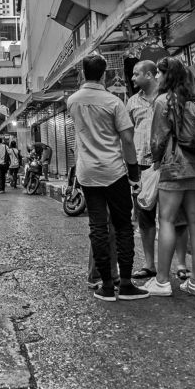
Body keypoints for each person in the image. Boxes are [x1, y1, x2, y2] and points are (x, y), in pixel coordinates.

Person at [67, 53, 149, 302]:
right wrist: (133, 171)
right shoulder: (114, 102)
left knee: (97, 227)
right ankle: (124, 283)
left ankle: (105, 286)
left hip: (88, 174)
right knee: (124, 226)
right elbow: (126, 139)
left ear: (83, 73)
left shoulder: (73, 101)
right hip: (115, 172)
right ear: (104, 75)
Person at [146, 58, 195, 298]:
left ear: (166, 75)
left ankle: (162, 281)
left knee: (167, 220)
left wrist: (155, 161)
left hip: (173, 166)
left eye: (159, 74)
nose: (157, 78)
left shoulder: (163, 101)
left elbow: (158, 138)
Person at [126, 60, 189, 281]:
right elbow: (127, 134)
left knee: (176, 218)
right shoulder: (132, 102)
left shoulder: (169, 99)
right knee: (144, 217)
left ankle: (181, 264)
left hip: (168, 165)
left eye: (136, 74)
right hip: (143, 166)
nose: (132, 78)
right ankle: (150, 264)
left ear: (151, 75)